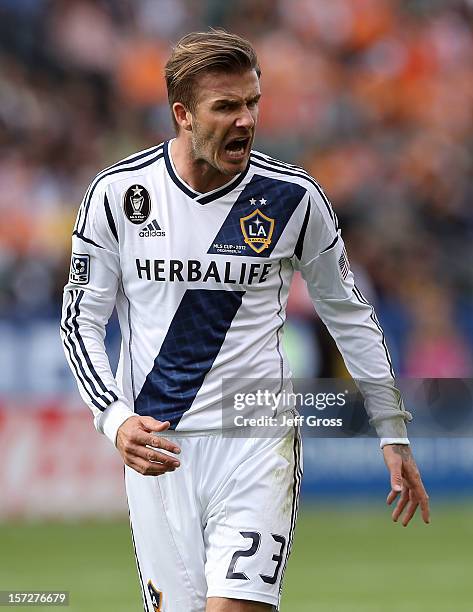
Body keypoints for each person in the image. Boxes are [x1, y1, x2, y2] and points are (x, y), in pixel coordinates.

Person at [60, 29, 430, 612]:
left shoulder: (292, 197)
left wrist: (392, 426)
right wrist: (114, 419)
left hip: (256, 442)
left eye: (253, 102)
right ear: (183, 114)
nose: (246, 121)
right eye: (226, 106)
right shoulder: (118, 195)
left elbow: (349, 315)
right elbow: (80, 322)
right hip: (161, 452)